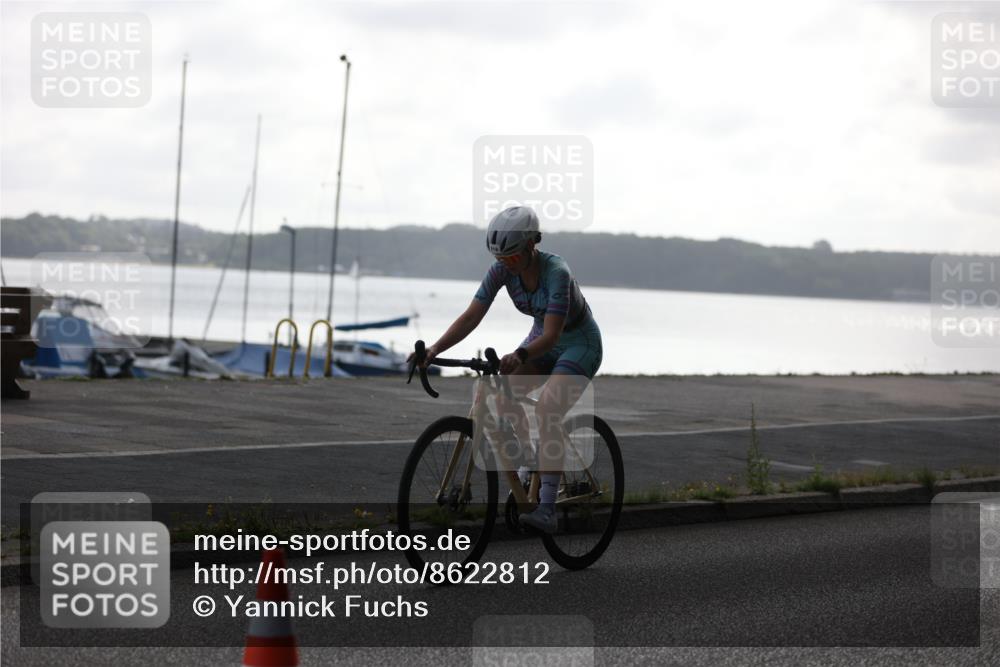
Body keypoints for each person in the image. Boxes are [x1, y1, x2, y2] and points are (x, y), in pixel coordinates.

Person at [412, 205, 602, 533]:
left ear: (531, 245)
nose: (506, 265)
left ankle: (546, 509)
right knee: (500, 399)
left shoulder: (557, 272)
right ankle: (531, 460)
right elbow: (471, 316)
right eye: (501, 259)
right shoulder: (501, 269)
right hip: (539, 339)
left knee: (547, 409)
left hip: (577, 343)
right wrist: (434, 349)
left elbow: (553, 334)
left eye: (512, 258)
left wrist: (520, 354)